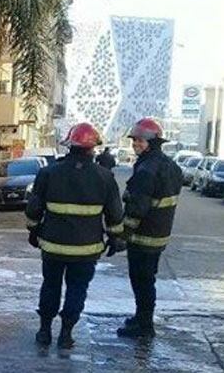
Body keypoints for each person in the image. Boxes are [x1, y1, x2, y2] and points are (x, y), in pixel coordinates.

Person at [26, 122, 125, 350]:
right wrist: (116, 238)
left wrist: (33, 231)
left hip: (52, 247)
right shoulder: (105, 177)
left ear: (69, 145)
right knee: (77, 289)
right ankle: (66, 334)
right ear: (93, 148)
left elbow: (33, 209)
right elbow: (115, 215)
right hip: (86, 250)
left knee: (50, 285)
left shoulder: (48, 173)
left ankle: (44, 331)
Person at [116, 118, 183, 339]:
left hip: (144, 237)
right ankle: (142, 317)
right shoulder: (170, 165)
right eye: (134, 139)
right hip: (159, 235)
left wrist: (122, 236)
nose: (135, 143)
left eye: (140, 140)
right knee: (147, 279)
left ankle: (144, 325)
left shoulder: (147, 169)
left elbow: (137, 210)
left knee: (142, 280)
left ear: (153, 142)